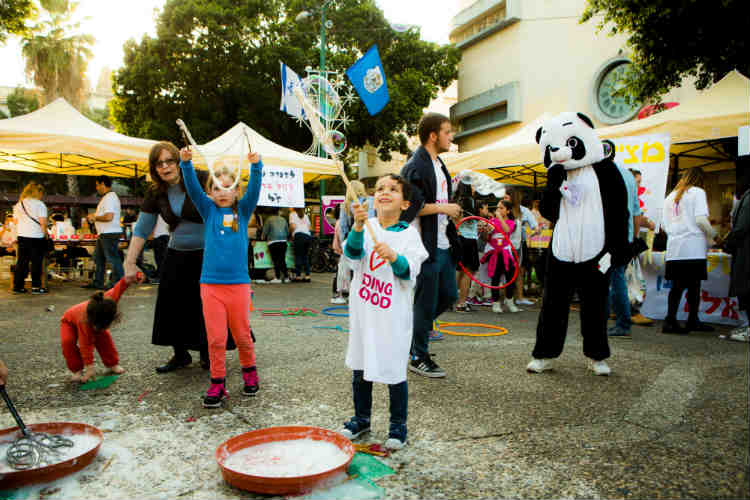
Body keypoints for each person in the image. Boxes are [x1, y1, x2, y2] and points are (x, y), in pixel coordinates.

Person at [339, 174, 428, 450]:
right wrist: (356, 226)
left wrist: (394, 256)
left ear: (405, 204)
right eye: (379, 189)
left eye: (392, 189)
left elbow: (409, 272)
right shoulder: (366, 227)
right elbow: (352, 257)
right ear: (372, 198)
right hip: (365, 316)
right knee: (360, 366)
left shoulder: (409, 235)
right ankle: (361, 418)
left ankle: (398, 425)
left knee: (393, 370)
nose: (384, 193)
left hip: (392, 318)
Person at [179, 147, 263, 408]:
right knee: (215, 338)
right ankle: (217, 382)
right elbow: (192, 188)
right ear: (209, 193)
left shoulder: (244, 210)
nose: (223, 192)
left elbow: (255, 189)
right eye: (217, 188)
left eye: (229, 187)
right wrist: (186, 164)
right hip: (210, 286)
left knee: (241, 335)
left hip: (238, 286)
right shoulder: (208, 211)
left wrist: (256, 166)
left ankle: (250, 371)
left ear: (237, 191)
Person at [125, 142, 213, 373]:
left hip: (208, 253)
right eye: (159, 163)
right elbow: (143, 229)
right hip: (176, 253)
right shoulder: (156, 191)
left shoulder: (202, 178)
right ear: (154, 169)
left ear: (178, 160)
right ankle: (180, 354)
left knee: (206, 304)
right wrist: (130, 262)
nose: (165, 167)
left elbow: (228, 202)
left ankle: (208, 353)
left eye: (169, 161)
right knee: (171, 304)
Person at [400, 113, 462, 378]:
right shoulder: (416, 165)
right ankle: (418, 355)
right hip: (425, 245)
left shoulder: (439, 164)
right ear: (433, 135)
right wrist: (445, 208)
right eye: (448, 132)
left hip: (443, 243)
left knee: (449, 295)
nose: (452, 137)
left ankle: (414, 334)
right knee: (425, 302)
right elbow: (410, 207)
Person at [662, 167, 716, 334]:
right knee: (694, 286)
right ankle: (690, 320)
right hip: (693, 247)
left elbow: (663, 225)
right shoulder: (697, 192)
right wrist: (714, 235)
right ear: (700, 179)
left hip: (674, 248)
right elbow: (701, 220)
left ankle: (671, 319)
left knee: (677, 286)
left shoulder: (670, 197)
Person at [60, 276, 137, 383]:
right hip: (69, 322)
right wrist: (89, 368)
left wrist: (128, 279)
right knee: (67, 342)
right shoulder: (84, 321)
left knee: (104, 339)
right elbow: (85, 345)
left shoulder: (108, 302)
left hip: (94, 319)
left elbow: (118, 288)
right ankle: (77, 370)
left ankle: (112, 364)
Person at [605, 166, 642, 339]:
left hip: (605, 237)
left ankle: (621, 323)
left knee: (609, 278)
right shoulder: (628, 175)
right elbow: (636, 212)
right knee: (616, 277)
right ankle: (621, 322)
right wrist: (633, 238)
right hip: (624, 237)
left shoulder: (601, 171)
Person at [83, 176, 124, 290]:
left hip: (109, 233)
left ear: (102, 184)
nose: (96, 188)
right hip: (104, 233)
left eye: (97, 185)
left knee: (112, 258)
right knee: (99, 258)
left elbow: (109, 217)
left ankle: (118, 282)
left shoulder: (110, 198)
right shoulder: (108, 197)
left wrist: (94, 217)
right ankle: (98, 282)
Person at [722, 177, 749, 342]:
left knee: (745, 285)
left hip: (745, 250)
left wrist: (727, 242)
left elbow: (741, 227)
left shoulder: (748, 198)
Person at [628, 169, 657, 326]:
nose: (640, 185)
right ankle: (633, 311)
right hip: (628, 242)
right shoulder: (631, 196)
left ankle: (617, 309)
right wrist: (647, 224)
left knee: (622, 278)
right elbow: (637, 217)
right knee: (634, 280)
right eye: (638, 182)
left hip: (617, 243)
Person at [12, 182, 50, 294]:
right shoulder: (40, 204)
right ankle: (36, 287)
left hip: (22, 236)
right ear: (37, 192)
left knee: (22, 262)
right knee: (36, 262)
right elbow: (43, 223)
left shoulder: (19, 205)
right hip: (36, 237)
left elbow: (15, 222)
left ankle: (18, 286)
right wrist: (46, 235)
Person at [483, 200, 520, 314]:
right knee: (495, 278)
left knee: (510, 278)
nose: (498, 210)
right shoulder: (491, 221)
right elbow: (486, 237)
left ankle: (510, 301)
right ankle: (496, 303)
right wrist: (483, 230)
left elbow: (507, 230)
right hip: (494, 253)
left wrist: (499, 218)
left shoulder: (511, 222)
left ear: (508, 211)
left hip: (506, 253)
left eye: (501, 208)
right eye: (498, 208)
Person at [506, 190, 538, 306]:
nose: (504, 199)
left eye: (506, 197)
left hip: (519, 244)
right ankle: (503, 298)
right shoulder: (503, 209)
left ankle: (518, 297)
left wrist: (529, 236)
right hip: (504, 244)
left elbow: (536, 227)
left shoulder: (524, 211)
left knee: (519, 271)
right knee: (505, 271)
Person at [454, 183, 479, 313]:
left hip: (460, 239)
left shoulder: (456, 201)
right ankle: (462, 303)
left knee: (458, 270)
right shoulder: (470, 201)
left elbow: (454, 219)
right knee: (467, 272)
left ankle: (448, 300)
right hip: (469, 240)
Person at [262, 208, 291, 283]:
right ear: (278, 212)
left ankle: (277, 277)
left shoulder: (269, 219)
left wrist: (262, 237)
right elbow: (287, 232)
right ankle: (286, 277)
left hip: (273, 242)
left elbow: (265, 232)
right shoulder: (283, 219)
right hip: (283, 242)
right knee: (282, 259)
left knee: (275, 260)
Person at [289, 207, 313, 282]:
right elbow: (309, 228)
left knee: (298, 255)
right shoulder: (305, 215)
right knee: (305, 256)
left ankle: (298, 275)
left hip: (299, 236)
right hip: (307, 236)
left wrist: (291, 234)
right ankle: (307, 275)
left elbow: (293, 226)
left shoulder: (292, 214)